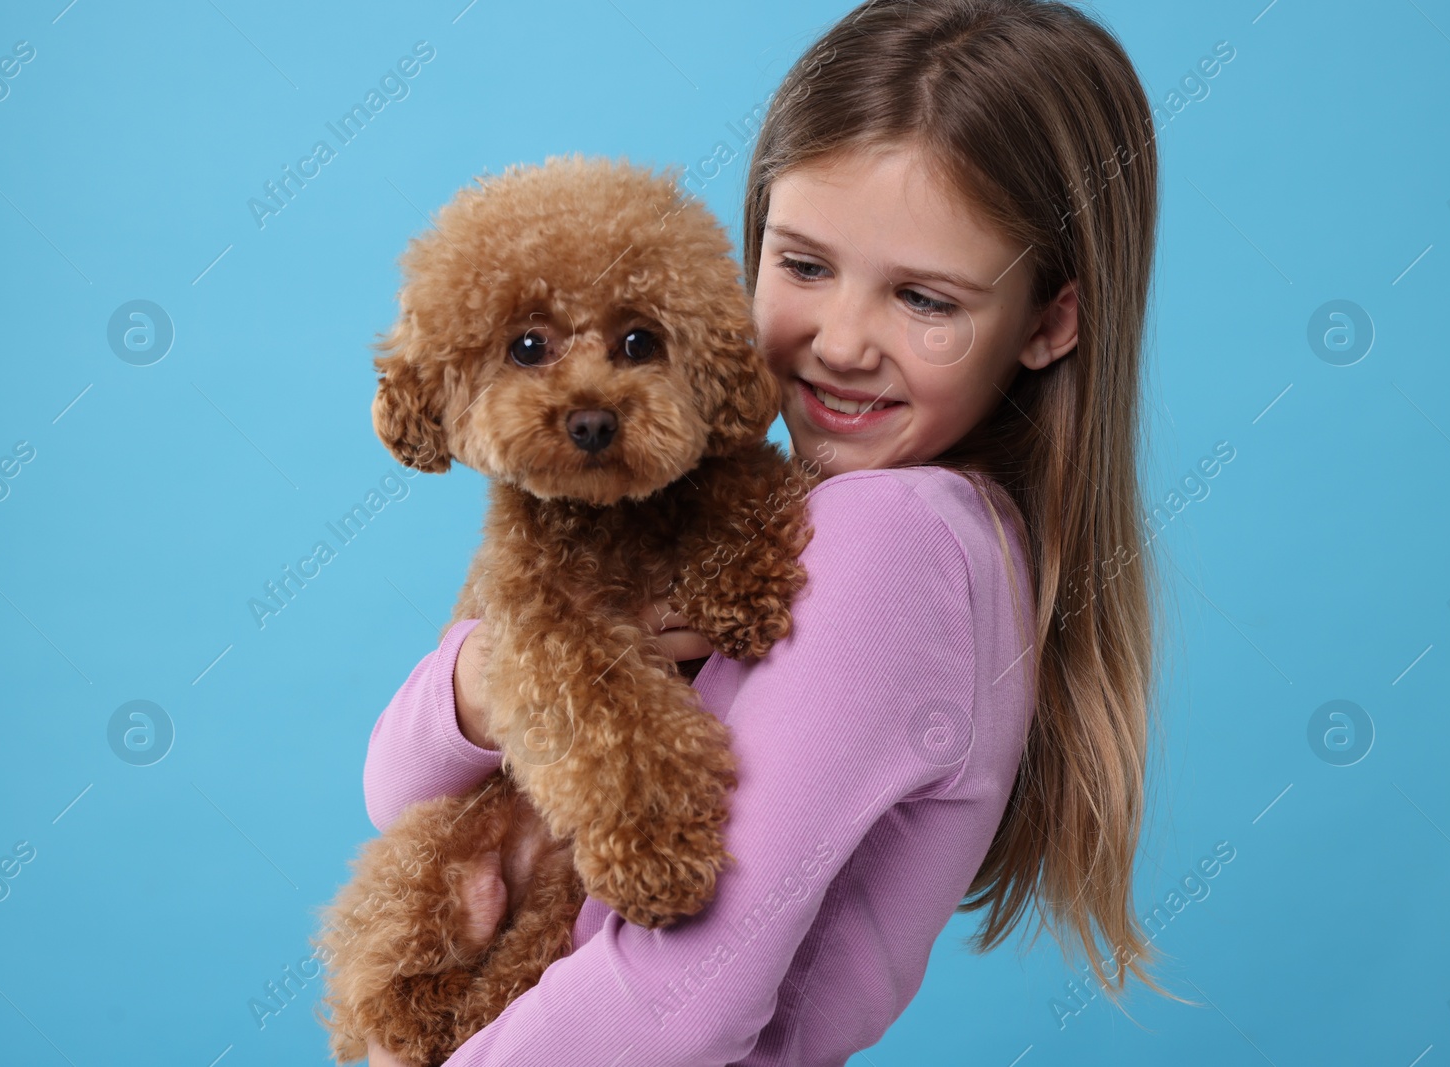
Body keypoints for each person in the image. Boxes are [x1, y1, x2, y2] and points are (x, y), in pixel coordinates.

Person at [360, 1, 1177, 1062]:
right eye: (801, 266)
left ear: (1049, 320)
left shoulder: (897, 536)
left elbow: (683, 995)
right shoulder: (821, 517)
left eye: (924, 299)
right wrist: (489, 675)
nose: (840, 342)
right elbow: (398, 787)